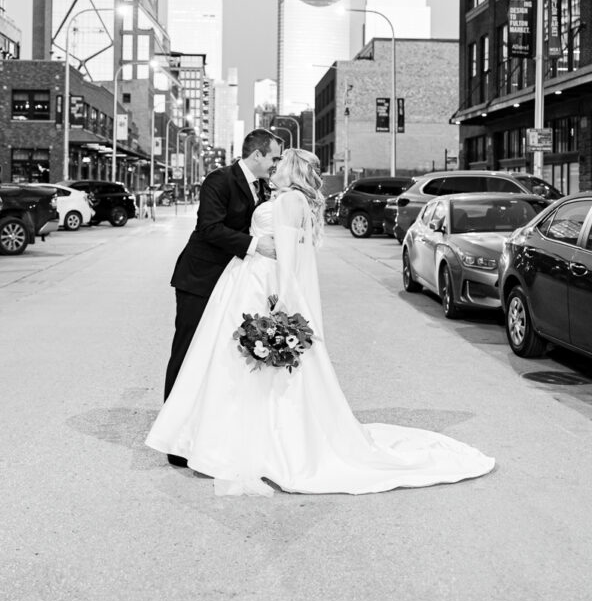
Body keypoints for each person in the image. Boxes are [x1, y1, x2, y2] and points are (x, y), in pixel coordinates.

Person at [146, 148, 494, 496]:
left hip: (259, 283)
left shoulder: (288, 202)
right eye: (273, 159)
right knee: (223, 361)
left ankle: (243, 440)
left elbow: (288, 257)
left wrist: (280, 306)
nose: (275, 165)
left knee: (238, 366)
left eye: (280, 162)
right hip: (245, 279)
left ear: (291, 169)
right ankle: (218, 434)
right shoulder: (288, 198)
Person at [161, 128, 283, 466]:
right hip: (200, 278)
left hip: (232, 283)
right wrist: (256, 245)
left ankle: (202, 428)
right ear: (257, 154)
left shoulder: (262, 186)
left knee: (211, 356)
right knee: (186, 353)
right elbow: (209, 228)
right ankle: (174, 437)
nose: (275, 164)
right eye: (273, 157)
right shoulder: (219, 180)